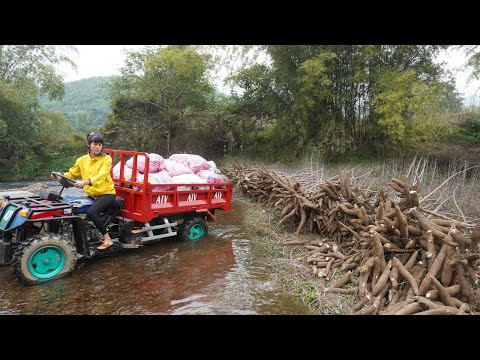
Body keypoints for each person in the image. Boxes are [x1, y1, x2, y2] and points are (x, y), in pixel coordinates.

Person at [57, 133, 116, 250]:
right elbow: (71, 173)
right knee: (71, 208)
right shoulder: (82, 160)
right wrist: (60, 175)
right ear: (88, 145)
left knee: (91, 212)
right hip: (92, 194)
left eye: (100, 144)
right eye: (95, 144)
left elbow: (102, 175)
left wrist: (86, 182)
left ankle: (107, 239)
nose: (98, 147)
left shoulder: (106, 159)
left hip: (107, 193)